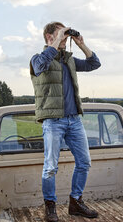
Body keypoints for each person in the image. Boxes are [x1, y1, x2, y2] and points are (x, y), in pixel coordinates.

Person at [29, 22, 101, 222]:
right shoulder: (38, 59)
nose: (65, 38)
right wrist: (58, 38)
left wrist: (81, 44)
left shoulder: (69, 60)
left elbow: (94, 64)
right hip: (53, 122)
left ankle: (76, 202)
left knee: (84, 162)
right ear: (49, 37)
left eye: (66, 35)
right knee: (50, 166)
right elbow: (40, 66)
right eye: (60, 34)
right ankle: (50, 207)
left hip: (74, 120)